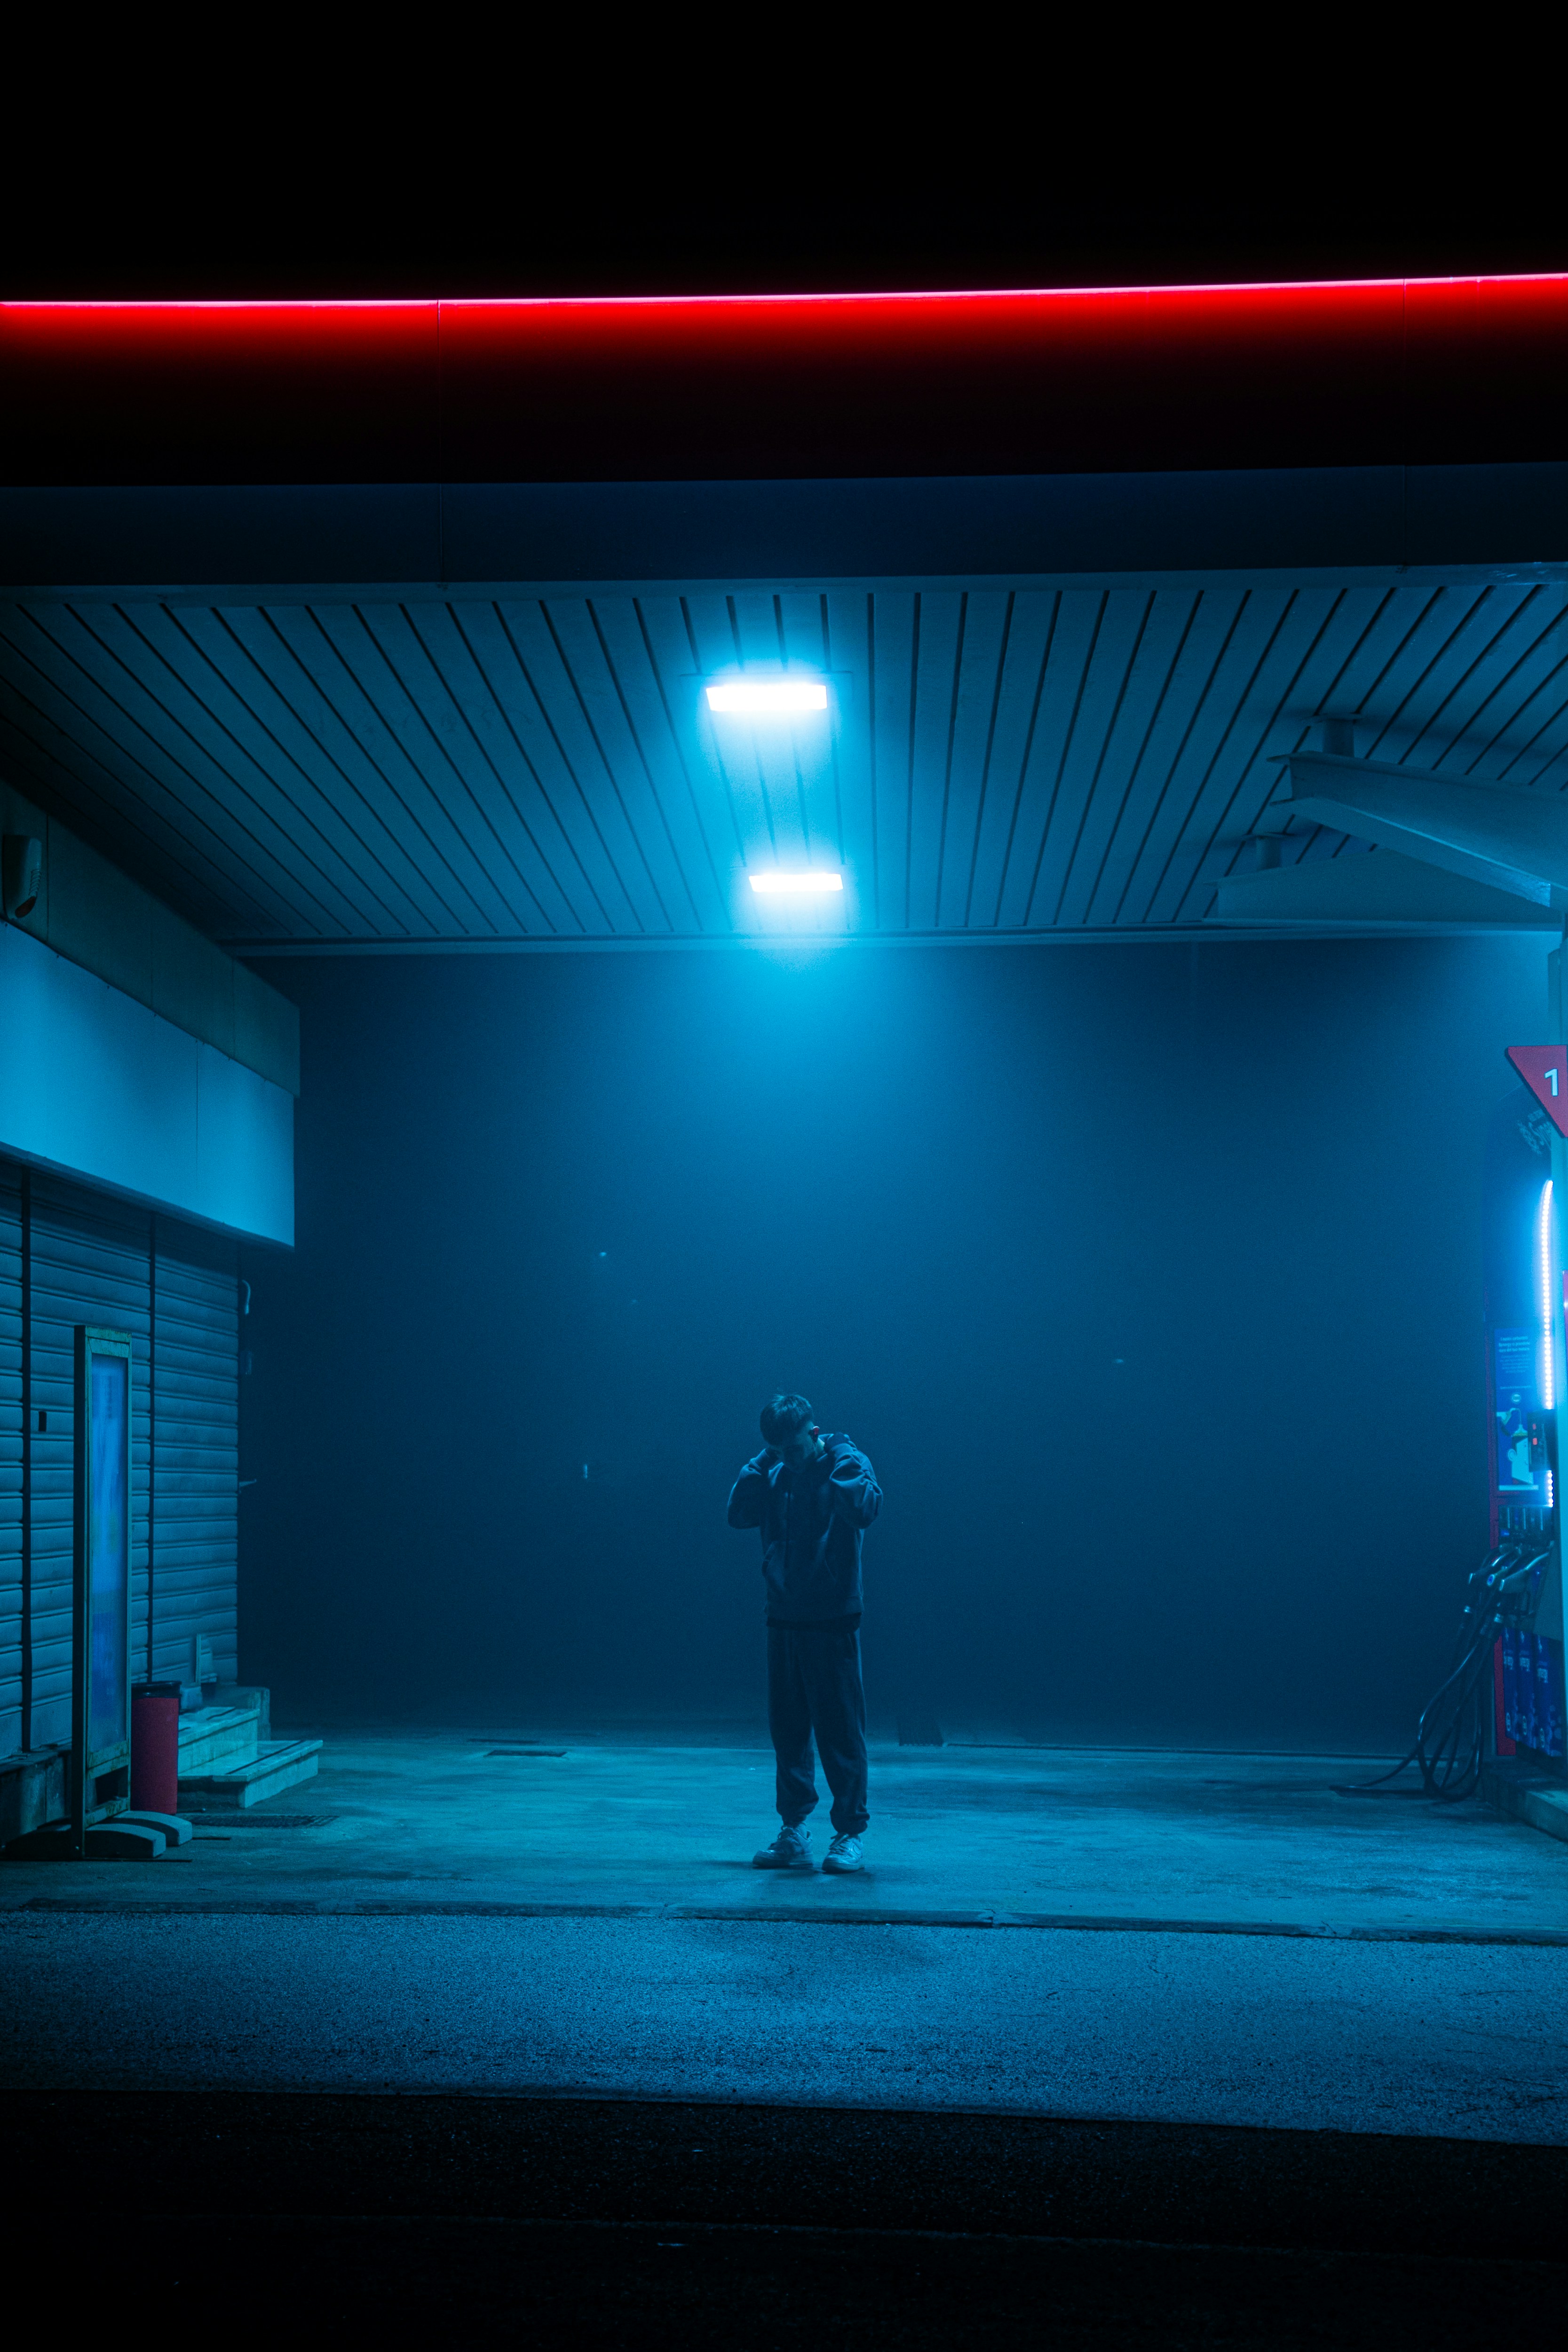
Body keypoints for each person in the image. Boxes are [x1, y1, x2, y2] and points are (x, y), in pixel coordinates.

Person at [727, 1392, 882, 1874]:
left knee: (839, 1731)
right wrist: (764, 1460)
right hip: (784, 1615)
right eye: (779, 1451)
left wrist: (840, 1455)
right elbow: (737, 1515)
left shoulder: (843, 1464)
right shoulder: (774, 1470)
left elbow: (865, 1510)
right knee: (789, 1730)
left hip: (833, 1616)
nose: (789, 1459)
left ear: (813, 1434)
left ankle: (849, 1833)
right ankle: (793, 1830)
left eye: (794, 1448)